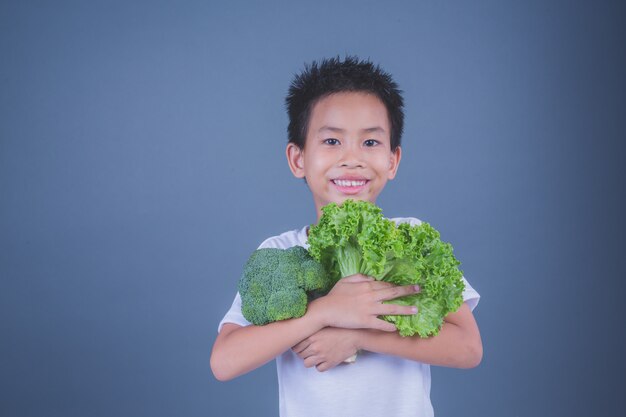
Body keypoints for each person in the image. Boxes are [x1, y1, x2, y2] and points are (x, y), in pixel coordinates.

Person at [210, 56, 482, 417]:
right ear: (298, 159)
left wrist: (358, 336)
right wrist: (324, 311)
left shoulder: (410, 240)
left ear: (392, 160)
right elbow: (225, 361)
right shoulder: (282, 252)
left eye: (370, 143)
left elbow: (467, 348)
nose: (352, 159)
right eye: (332, 141)